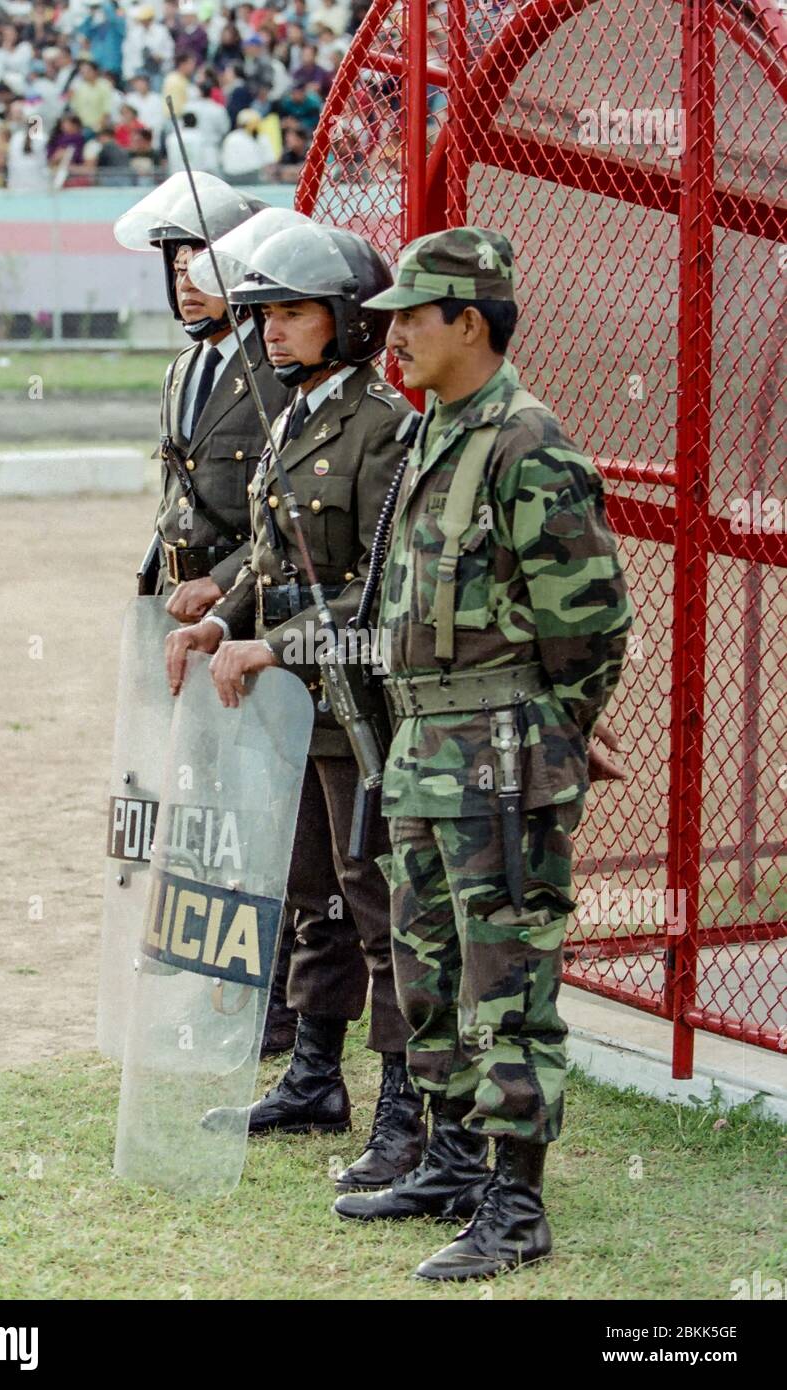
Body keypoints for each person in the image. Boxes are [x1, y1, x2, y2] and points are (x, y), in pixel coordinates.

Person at [331, 227, 632, 1280]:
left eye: (412, 315)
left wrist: (555, 732)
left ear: (471, 320)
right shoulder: (437, 432)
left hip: (501, 762)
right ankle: (455, 1158)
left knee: (507, 985)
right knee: (430, 973)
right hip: (425, 751)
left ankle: (516, 1203)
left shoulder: (526, 444)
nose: (393, 335)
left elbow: (590, 629)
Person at [165, 223, 427, 1193]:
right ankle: (316, 1076)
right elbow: (274, 558)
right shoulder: (297, 415)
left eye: (293, 311)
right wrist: (218, 620)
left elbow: (373, 595)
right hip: (296, 708)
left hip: (360, 707)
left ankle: (406, 1105)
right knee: (310, 896)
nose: (271, 329)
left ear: (348, 321)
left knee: (377, 905)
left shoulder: (385, 430)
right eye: (266, 311)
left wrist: (272, 642)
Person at [114, 179, 294, 1054]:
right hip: (181, 622)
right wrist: (153, 588)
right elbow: (175, 500)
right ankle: (226, 983)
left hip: (250, 620)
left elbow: (282, 514)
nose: (188, 280)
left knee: (265, 813)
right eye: (177, 264)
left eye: (206, 263)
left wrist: (222, 590)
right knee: (203, 806)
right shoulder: (186, 369)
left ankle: (281, 1004)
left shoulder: (273, 373)